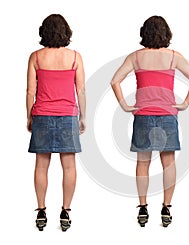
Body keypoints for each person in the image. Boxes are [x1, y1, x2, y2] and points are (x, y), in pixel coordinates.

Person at [111, 15, 189, 227]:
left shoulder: (136, 57)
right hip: (167, 115)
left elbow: (114, 80)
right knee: (168, 163)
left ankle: (142, 207)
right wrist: (185, 103)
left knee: (143, 163)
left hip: (142, 115)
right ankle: (166, 207)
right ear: (166, 34)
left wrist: (125, 105)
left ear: (144, 33)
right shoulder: (173, 56)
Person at [26, 14, 86, 231]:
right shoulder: (75, 57)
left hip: (41, 114)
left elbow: (30, 91)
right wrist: (83, 116)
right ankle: (65, 211)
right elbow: (80, 90)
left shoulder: (36, 57)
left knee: (42, 165)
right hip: (68, 115)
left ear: (44, 31)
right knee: (68, 165)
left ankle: (41, 211)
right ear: (66, 31)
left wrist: (29, 116)